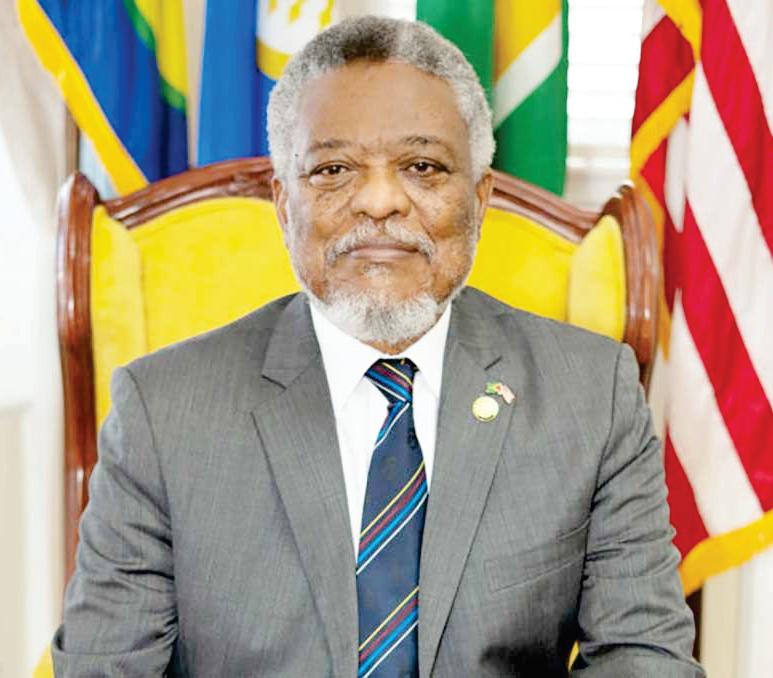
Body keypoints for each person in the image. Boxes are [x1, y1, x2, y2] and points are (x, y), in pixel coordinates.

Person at [52, 16, 704, 677]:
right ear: (284, 204)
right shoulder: (163, 411)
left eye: (422, 167)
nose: (380, 201)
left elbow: (643, 660)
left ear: (479, 199)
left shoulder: (590, 396)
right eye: (334, 169)